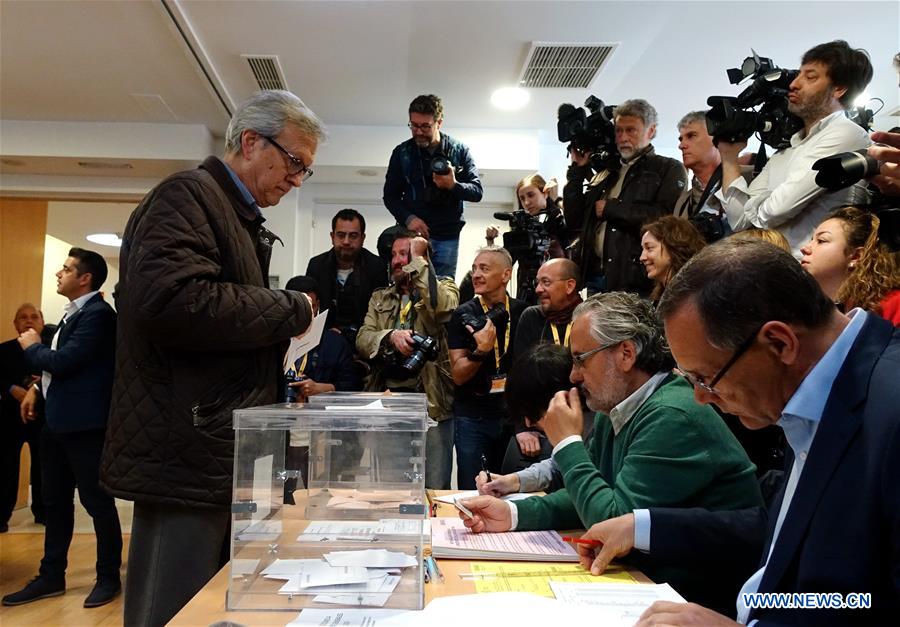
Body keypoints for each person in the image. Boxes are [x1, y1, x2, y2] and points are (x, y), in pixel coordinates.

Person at [577, 238, 900, 625]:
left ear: (779, 343)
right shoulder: (819, 392)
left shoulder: (889, 407)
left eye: (707, 378)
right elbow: (789, 537)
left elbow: (868, 602)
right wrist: (642, 525)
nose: (699, 397)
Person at [100, 90, 318, 626]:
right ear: (250, 142)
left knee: (209, 607)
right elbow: (172, 303)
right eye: (294, 162)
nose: (295, 179)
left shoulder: (234, 215)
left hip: (217, 447)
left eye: (305, 172)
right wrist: (289, 308)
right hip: (185, 450)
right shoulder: (187, 197)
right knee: (172, 609)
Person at [460, 293, 761, 610]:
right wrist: (513, 514)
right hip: (651, 584)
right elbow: (589, 495)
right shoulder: (615, 409)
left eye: (581, 359)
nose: (574, 375)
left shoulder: (672, 415)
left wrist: (567, 443)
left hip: (701, 602)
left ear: (626, 354)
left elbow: (612, 521)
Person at [2, 249, 121, 609]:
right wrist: (37, 389)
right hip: (56, 423)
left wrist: (32, 347)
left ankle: (108, 577)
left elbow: (66, 362)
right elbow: (60, 369)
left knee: (97, 502)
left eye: (67, 269)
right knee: (53, 503)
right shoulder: (71, 316)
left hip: (85, 426)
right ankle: (52, 575)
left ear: (84, 278)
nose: (59, 273)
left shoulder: (99, 316)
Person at [717, 40, 873, 256]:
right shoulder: (787, 148)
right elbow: (740, 220)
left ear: (838, 89)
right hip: (777, 272)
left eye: (810, 77)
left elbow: (775, 211)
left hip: (815, 278)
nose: (793, 84)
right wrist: (729, 157)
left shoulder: (846, 133)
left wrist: (758, 206)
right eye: (798, 74)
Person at [356, 232, 458, 488]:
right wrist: (391, 336)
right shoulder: (380, 297)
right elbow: (363, 338)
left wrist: (420, 263)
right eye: (394, 255)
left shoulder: (445, 286)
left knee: (435, 486)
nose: (398, 261)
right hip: (390, 402)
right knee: (392, 487)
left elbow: (441, 308)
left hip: (432, 402)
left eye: (405, 254)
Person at [563, 98, 687, 295]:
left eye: (631, 130)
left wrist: (612, 208)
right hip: (596, 278)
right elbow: (574, 219)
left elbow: (667, 218)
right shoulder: (607, 172)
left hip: (637, 280)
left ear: (651, 131)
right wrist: (577, 172)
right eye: (619, 130)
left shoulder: (668, 168)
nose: (622, 137)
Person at [447, 247, 527, 488]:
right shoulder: (462, 315)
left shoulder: (524, 312)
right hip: (473, 416)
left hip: (511, 418)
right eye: (474, 268)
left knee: (509, 488)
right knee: (473, 490)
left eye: (484, 268)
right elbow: (458, 375)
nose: (476, 274)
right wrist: (481, 351)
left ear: (505, 275)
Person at [383, 94, 483, 278]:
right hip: (412, 235)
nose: (418, 132)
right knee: (409, 289)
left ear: (439, 123)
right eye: (414, 125)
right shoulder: (401, 153)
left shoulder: (460, 150)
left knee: (443, 292)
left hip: (447, 236)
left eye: (425, 126)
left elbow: (477, 192)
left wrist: (453, 185)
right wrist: (409, 219)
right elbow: (390, 196)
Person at [281, 275, 361, 499]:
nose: (307, 314)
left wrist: (321, 389)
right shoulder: (273, 342)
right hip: (280, 431)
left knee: (316, 496)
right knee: (283, 496)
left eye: (312, 307)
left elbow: (352, 388)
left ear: (318, 308)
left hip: (322, 434)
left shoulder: (334, 344)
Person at [477, 343, 579, 494]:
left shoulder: (598, 427)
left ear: (561, 399)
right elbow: (556, 468)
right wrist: (511, 481)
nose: (528, 423)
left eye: (534, 414)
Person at [800, 206, 900, 324]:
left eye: (821, 240)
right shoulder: (811, 311)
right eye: (811, 240)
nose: (804, 248)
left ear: (856, 256)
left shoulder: (894, 306)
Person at [0, 303, 50, 532]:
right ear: (15, 324)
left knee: (43, 466)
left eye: (33, 317)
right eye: (23, 317)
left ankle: (43, 512)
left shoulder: (49, 351)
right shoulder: (3, 350)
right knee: (5, 468)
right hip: (9, 419)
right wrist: (10, 388)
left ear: (41, 322)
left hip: (43, 417)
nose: (28, 321)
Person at [305, 208, 388, 345]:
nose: (346, 241)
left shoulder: (376, 267)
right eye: (341, 235)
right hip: (323, 340)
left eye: (353, 236)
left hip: (365, 341)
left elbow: (381, 313)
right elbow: (309, 308)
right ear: (332, 237)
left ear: (363, 238)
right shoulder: (317, 265)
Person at [506, 173, 568, 304]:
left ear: (545, 193)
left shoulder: (558, 218)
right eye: (522, 198)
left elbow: (564, 234)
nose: (527, 202)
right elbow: (507, 260)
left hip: (556, 289)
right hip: (526, 290)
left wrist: (553, 201)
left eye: (531, 195)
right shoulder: (521, 226)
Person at [673, 111, 733, 243]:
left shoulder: (748, 178)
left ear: (716, 139)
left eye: (691, 136)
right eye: (681, 139)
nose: (681, 145)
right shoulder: (683, 201)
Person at [639, 216, 706, 302]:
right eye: (643, 249)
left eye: (649, 248)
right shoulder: (664, 295)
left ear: (673, 247)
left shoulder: (696, 295)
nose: (642, 257)